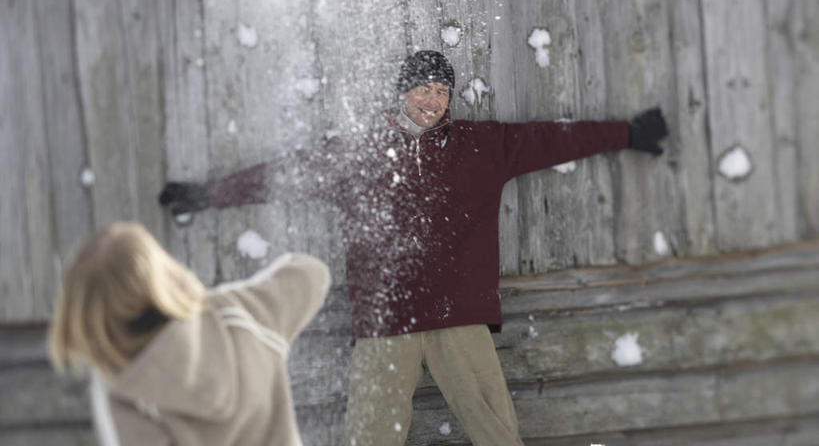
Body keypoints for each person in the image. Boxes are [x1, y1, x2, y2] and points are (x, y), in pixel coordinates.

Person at [158, 51, 669, 445]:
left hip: (457, 317)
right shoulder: (359, 154)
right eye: (424, 88)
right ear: (402, 92)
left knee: (496, 431)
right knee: (371, 435)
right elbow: (287, 175)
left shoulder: (481, 145)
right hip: (386, 322)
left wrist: (626, 133)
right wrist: (208, 194)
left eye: (442, 90)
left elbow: (552, 139)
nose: (433, 99)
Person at [48, 221, 330, 446]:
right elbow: (313, 274)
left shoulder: (128, 397)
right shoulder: (240, 312)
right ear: (163, 272)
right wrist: (216, 300)